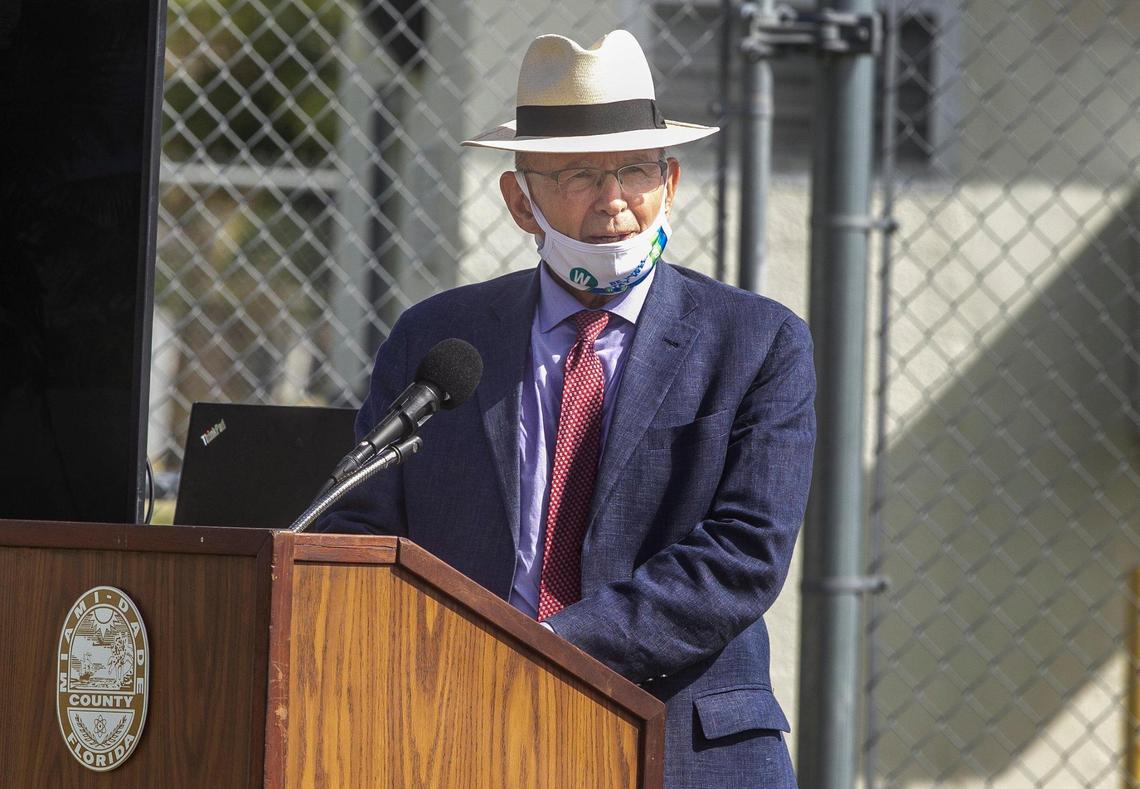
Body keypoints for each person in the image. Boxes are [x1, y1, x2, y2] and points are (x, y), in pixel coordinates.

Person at [317, 29, 815, 787]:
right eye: (581, 174)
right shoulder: (438, 339)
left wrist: (546, 647)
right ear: (521, 200)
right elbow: (364, 529)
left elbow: (744, 553)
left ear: (672, 181)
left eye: (636, 170)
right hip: (469, 731)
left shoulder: (756, 341)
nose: (615, 200)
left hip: (686, 745)